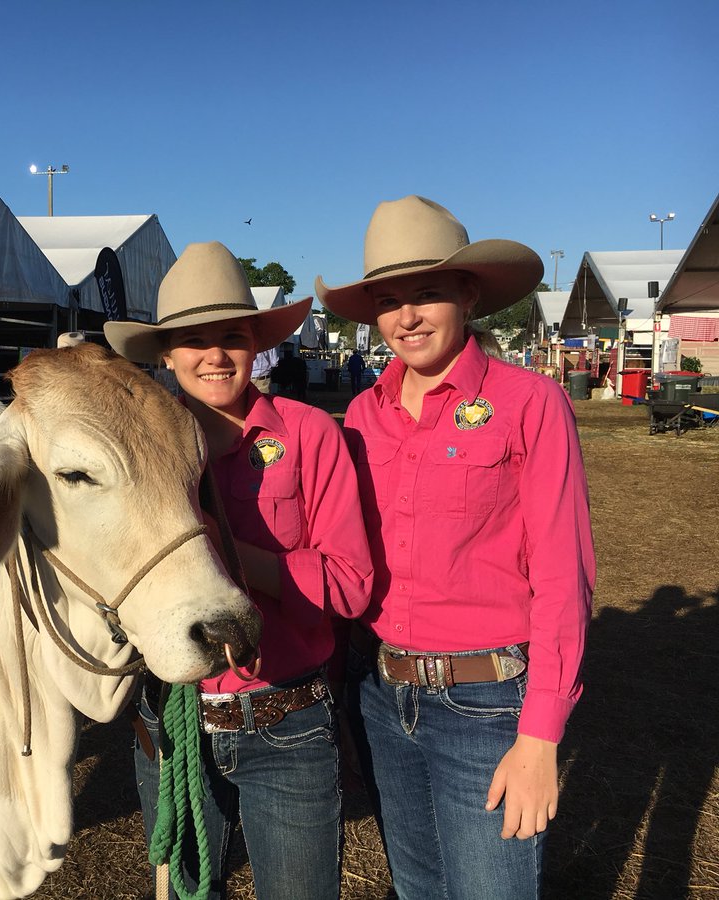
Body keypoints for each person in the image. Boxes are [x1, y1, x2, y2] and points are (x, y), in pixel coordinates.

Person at [316, 195, 595, 900]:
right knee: (416, 888)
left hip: (488, 704)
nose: (406, 317)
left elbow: (565, 576)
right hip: (382, 694)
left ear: (469, 295)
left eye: (427, 294)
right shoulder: (362, 416)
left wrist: (540, 736)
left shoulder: (530, 403)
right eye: (388, 300)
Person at [105, 241, 373, 900]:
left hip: (288, 721)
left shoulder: (313, 435)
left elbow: (351, 583)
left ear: (257, 344)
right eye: (194, 340)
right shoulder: (135, 451)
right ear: (165, 353)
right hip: (174, 723)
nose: (216, 355)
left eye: (232, 336)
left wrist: (223, 556)